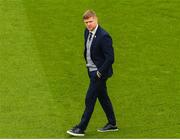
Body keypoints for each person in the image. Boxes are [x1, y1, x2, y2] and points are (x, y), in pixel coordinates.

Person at [67, 10, 118, 137]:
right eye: (86, 22)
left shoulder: (104, 36)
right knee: (103, 97)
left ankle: (81, 128)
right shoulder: (87, 32)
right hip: (91, 71)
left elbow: (110, 58)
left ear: (96, 19)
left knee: (90, 98)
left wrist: (99, 72)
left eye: (90, 21)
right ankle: (112, 124)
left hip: (99, 73)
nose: (88, 24)